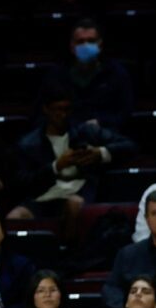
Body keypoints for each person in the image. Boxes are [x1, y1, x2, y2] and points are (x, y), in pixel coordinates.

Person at [11, 83, 136, 239]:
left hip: (77, 193)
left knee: (74, 204)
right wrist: (57, 166)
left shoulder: (86, 131)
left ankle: (68, 256)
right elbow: (24, 182)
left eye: (67, 109)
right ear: (46, 110)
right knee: (15, 217)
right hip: (43, 197)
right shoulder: (28, 143)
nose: (63, 115)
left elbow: (129, 145)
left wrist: (100, 153)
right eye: (57, 110)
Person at [40, 19, 133, 131]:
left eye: (91, 41)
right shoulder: (56, 75)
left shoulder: (117, 73)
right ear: (72, 46)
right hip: (65, 134)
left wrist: (101, 122)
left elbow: (125, 114)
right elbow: (41, 114)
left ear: (100, 45)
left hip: (107, 135)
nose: (85, 45)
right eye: (80, 41)